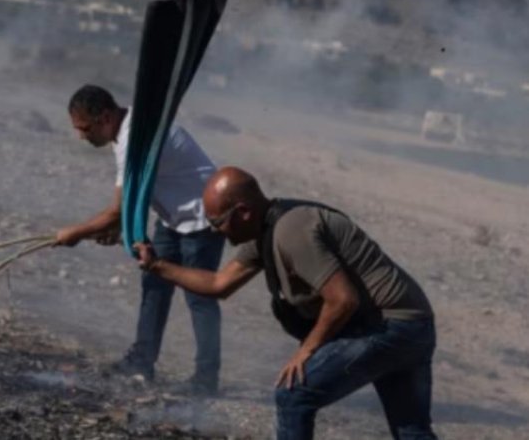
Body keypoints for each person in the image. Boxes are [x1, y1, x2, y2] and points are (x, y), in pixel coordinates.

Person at [135, 167, 437, 440]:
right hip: (414, 324)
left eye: (218, 222)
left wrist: (307, 351)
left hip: (389, 327)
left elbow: (343, 299)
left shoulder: (292, 230)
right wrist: (157, 265)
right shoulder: (265, 229)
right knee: (412, 432)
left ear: (242, 211)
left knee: (293, 394)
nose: (215, 231)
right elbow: (219, 284)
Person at [54, 84, 226, 395]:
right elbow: (138, 192)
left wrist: (75, 233)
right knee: (154, 289)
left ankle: (206, 378)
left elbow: (116, 211)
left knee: (200, 299)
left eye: (84, 129)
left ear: (105, 117)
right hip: (172, 218)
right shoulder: (126, 129)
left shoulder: (135, 136)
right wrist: (121, 228)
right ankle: (142, 362)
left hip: (203, 220)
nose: (82, 136)